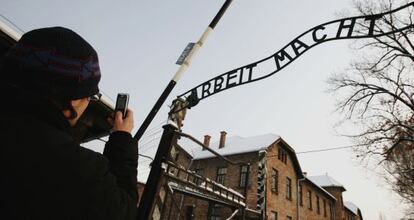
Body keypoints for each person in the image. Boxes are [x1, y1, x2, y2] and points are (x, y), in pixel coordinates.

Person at [0, 27, 138, 219]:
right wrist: (122, 139)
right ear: (72, 99)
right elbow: (124, 212)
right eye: (90, 95)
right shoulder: (78, 170)